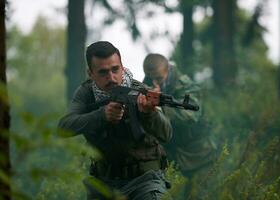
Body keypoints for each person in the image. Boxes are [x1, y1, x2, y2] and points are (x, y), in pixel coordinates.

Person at [58, 41, 173, 200]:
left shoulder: (141, 91)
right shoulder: (86, 93)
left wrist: (149, 114)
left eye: (115, 69)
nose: (111, 78)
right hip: (103, 184)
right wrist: (102, 115)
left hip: (145, 181)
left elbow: (167, 134)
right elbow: (64, 127)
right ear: (90, 74)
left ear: (122, 67)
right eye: (103, 72)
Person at [143, 53, 217, 199]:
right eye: (150, 77)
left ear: (168, 70)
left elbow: (190, 115)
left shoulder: (187, 86)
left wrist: (160, 105)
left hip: (198, 155)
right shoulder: (146, 85)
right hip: (171, 157)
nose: (154, 83)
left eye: (158, 78)